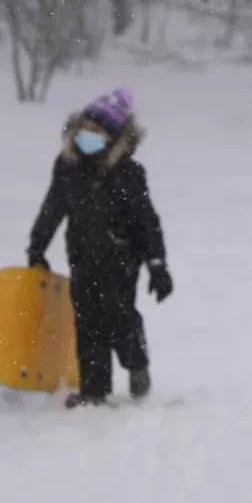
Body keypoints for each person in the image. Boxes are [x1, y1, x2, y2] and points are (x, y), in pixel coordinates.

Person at [27, 88, 173, 409]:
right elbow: (53, 208)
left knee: (119, 319)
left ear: (113, 136)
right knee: (88, 322)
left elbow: (147, 222)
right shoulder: (68, 167)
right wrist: (37, 246)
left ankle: (136, 364)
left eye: (97, 130)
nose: (87, 134)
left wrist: (157, 266)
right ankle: (94, 392)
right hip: (81, 257)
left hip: (121, 259)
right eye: (85, 127)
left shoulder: (128, 174)